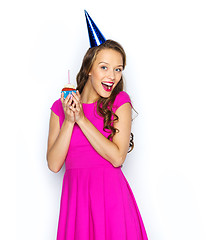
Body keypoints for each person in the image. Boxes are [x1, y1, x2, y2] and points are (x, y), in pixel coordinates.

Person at [47, 11, 148, 240]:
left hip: (112, 203)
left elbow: (117, 157)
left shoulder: (120, 102)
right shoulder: (59, 108)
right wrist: (70, 120)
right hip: (77, 206)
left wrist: (82, 120)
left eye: (118, 69)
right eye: (104, 67)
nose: (112, 76)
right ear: (89, 69)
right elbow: (54, 164)